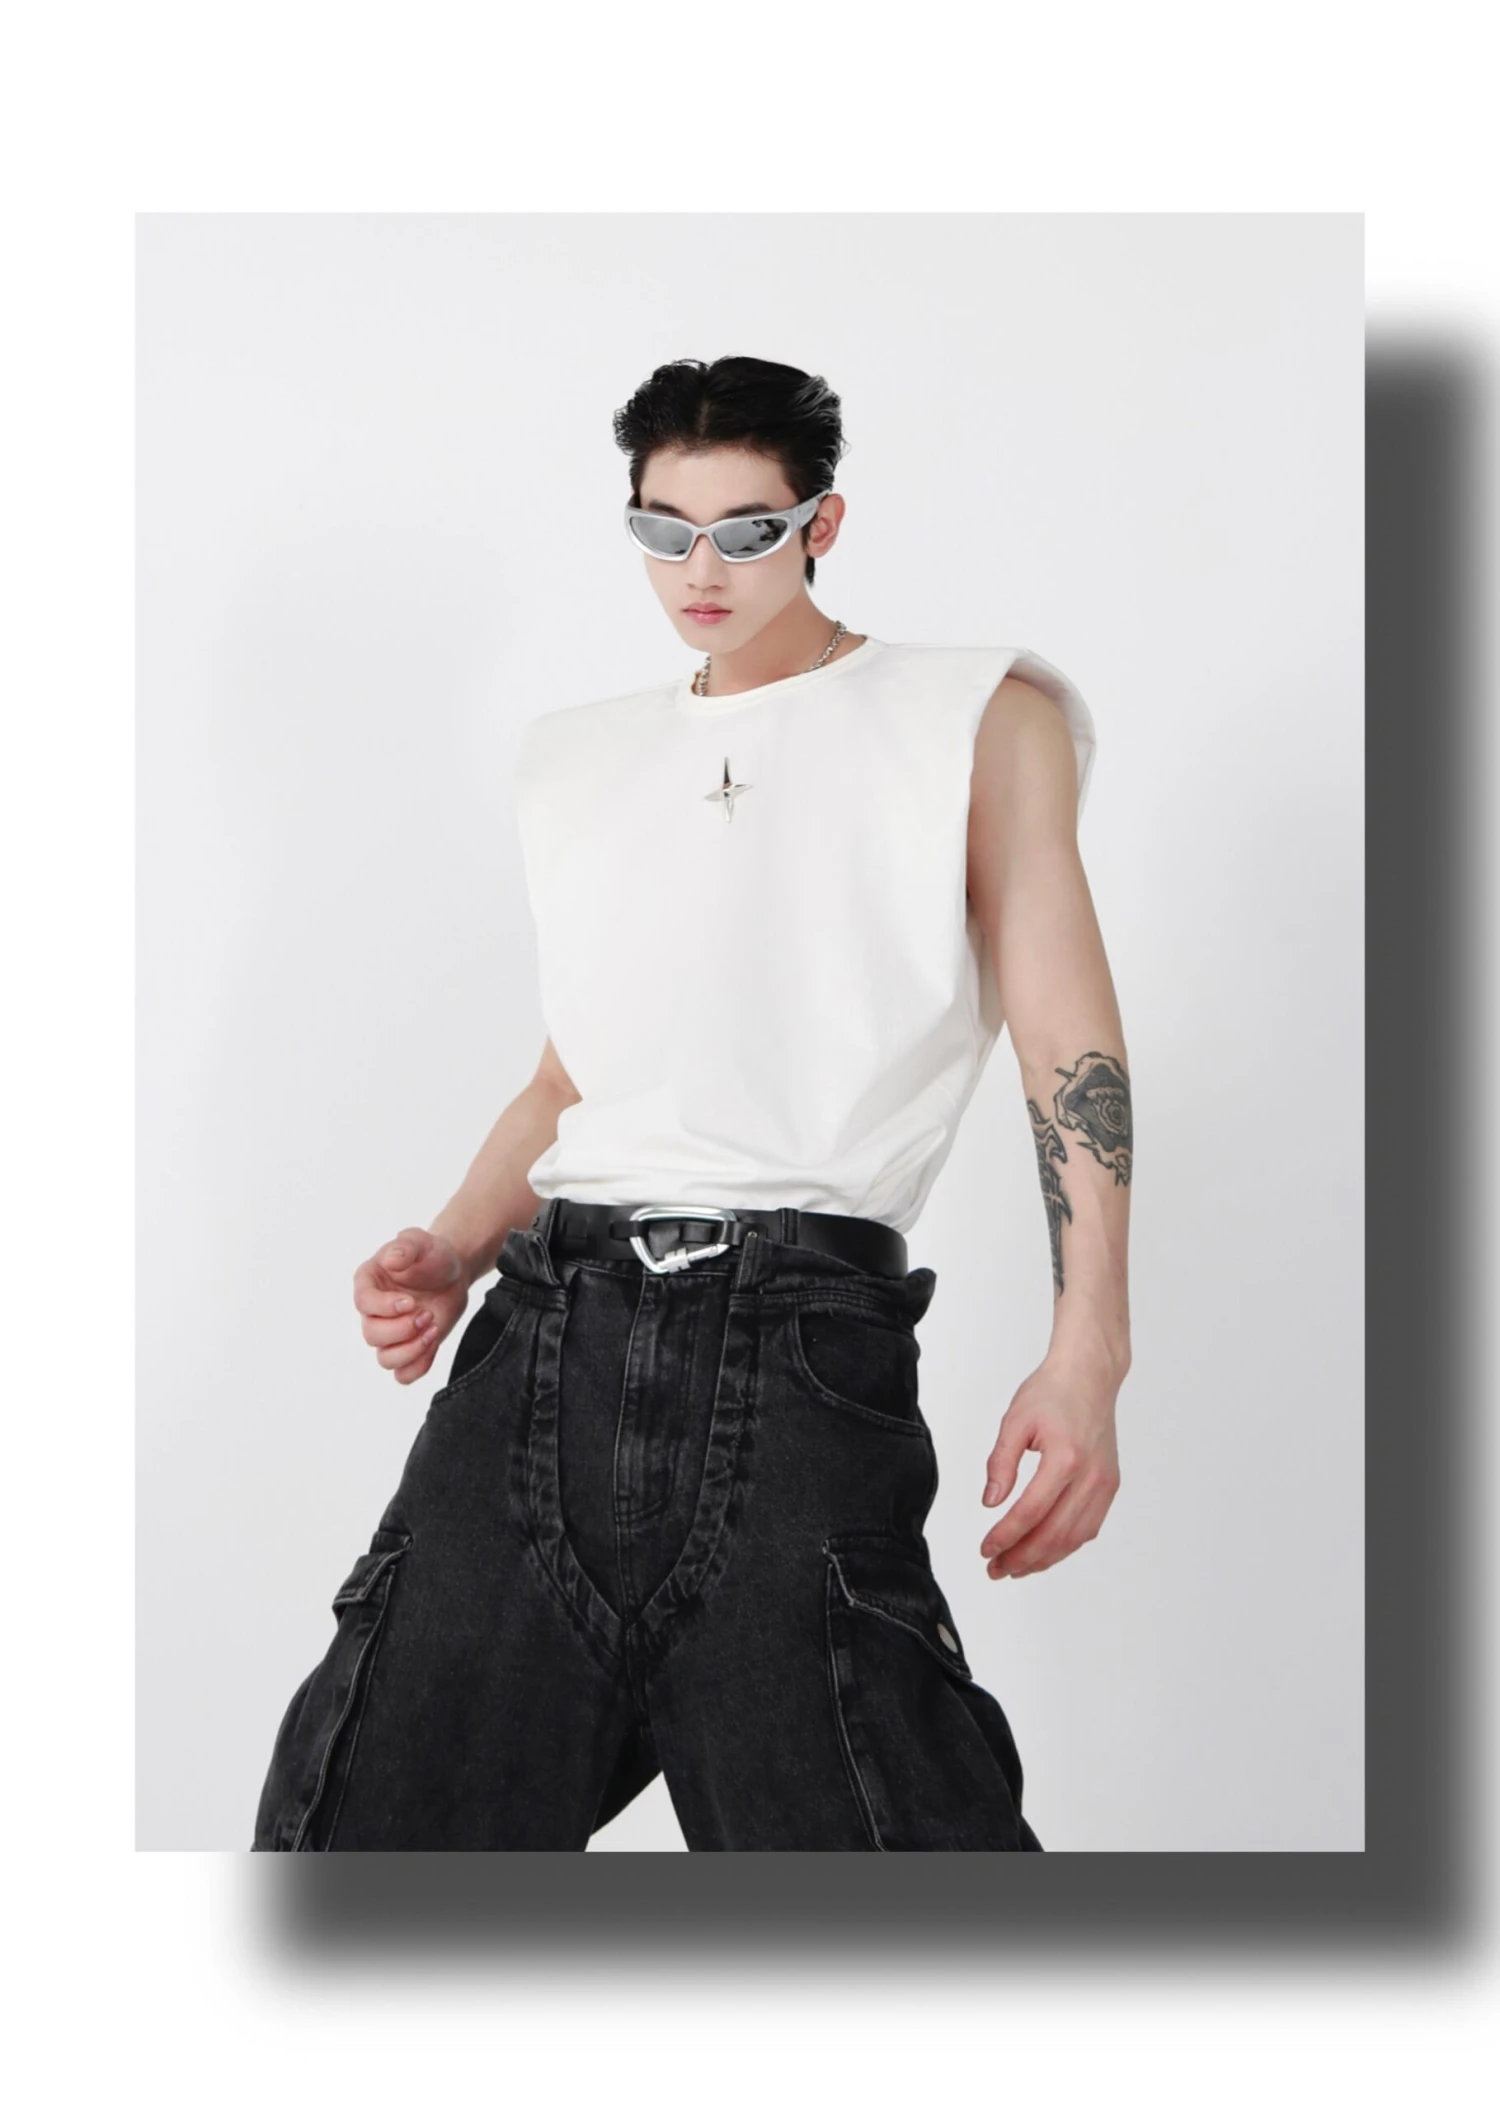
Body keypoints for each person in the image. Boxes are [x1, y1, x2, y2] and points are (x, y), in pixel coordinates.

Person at [251, 354, 1131, 1851]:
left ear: (823, 524)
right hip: (545, 1335)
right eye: (664, 531)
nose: (701, 571)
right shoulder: (576, 758)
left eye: (746, 529)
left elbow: (1068, 1047)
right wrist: (453, 1246)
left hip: (797, 1352)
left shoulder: (975, 716)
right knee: (357, 1856)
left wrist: (1089, 1346)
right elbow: (574, 1075)